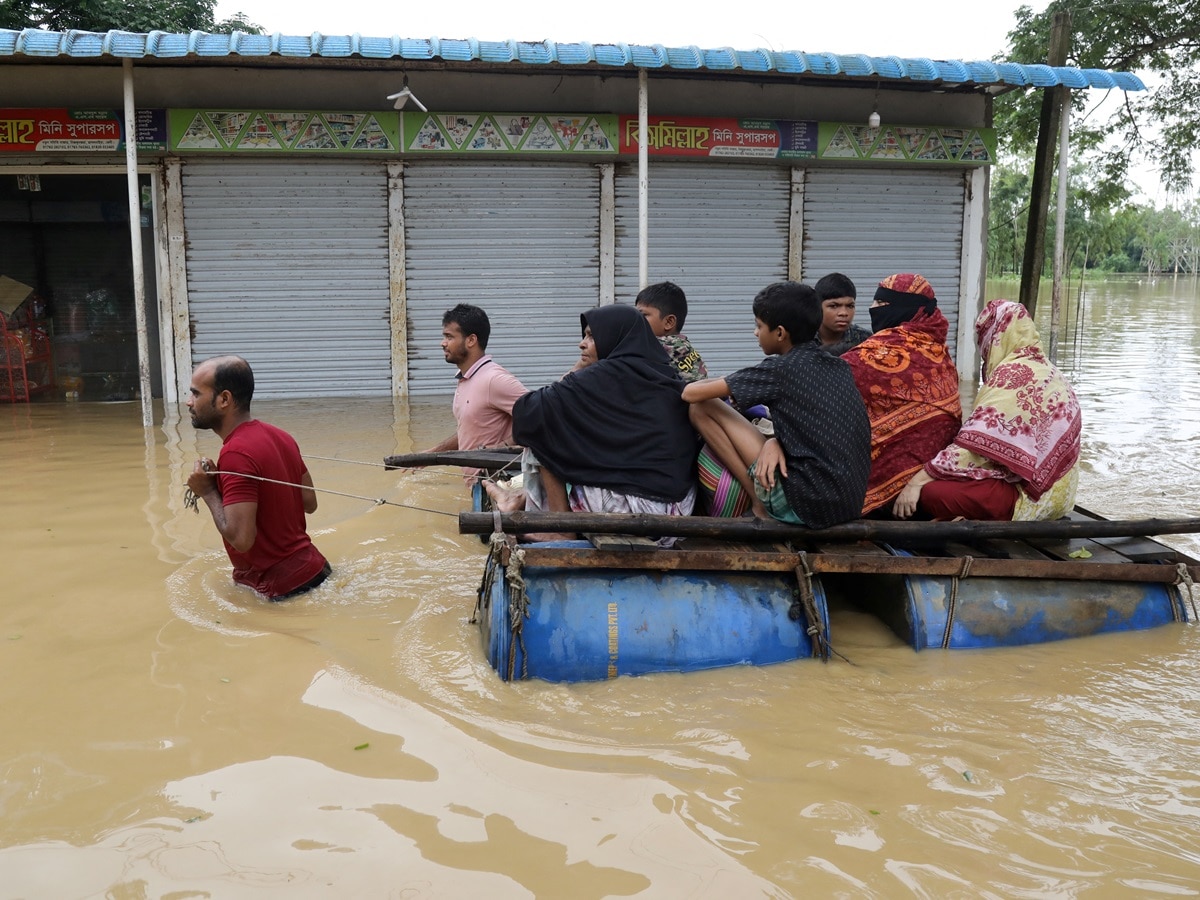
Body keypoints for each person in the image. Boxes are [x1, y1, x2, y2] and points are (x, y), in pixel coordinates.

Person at [489, 304, 697, 542]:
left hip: (633, 516)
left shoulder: (605, 374)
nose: (582, 343)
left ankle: (560, 529)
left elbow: (527, 413)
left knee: (543, 428)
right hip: (676, 514)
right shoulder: (664, 373)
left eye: (591, 336)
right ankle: (520, 499)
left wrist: (577, 368)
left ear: (612, 338)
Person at [683, 282, 870, 528]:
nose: (755, 333)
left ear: (780, 333)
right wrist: (773, 441)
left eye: (759, 326)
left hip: (804, 506)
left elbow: (691, 393)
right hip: (849, 504)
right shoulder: (839, 366)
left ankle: (758, 502)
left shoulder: (779, 370)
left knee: (701, 408)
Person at [893, 299, 1082, 521]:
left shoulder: (1011, 375)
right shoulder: (1052, 372)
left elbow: (974, 449)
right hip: (1060, 501)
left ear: (996, 335)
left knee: (931, 493)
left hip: (1026, 500)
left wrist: (917, 481)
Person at [185, 356, 330, 601]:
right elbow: (309, 502)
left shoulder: (234, 453)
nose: (188, 402)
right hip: (317, 570)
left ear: (224, 400)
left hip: (283, 590)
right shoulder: (281, 436)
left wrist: (208, 491)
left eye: (196, 394)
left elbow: (242, 539)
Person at [842, 273, 962, 515]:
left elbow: (827, 385)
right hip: (930, 477)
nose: (872, 309)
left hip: (884, 489)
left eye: (881, 305)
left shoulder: (872, 355)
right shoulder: (939, 353)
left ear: (903, 309)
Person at [426, 303, 527, 476]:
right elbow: (471, 431)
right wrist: (433, 454)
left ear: (471, 340)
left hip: (495, 487)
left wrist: (501, 449)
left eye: (449, 337)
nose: (442, 343)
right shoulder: (466, 378)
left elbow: (542, 418)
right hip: (477, 488)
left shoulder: (494, 380)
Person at [634, 280, 709, 383]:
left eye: (644, 315)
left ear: (669, 322)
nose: (636, 319)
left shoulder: (658, 345)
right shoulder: (683, 343)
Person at [814, 272, 872, 357]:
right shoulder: (802, 338)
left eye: (850, 306)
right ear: (818, 306)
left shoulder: (865, 340)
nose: (844, 313)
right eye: (834, 306)